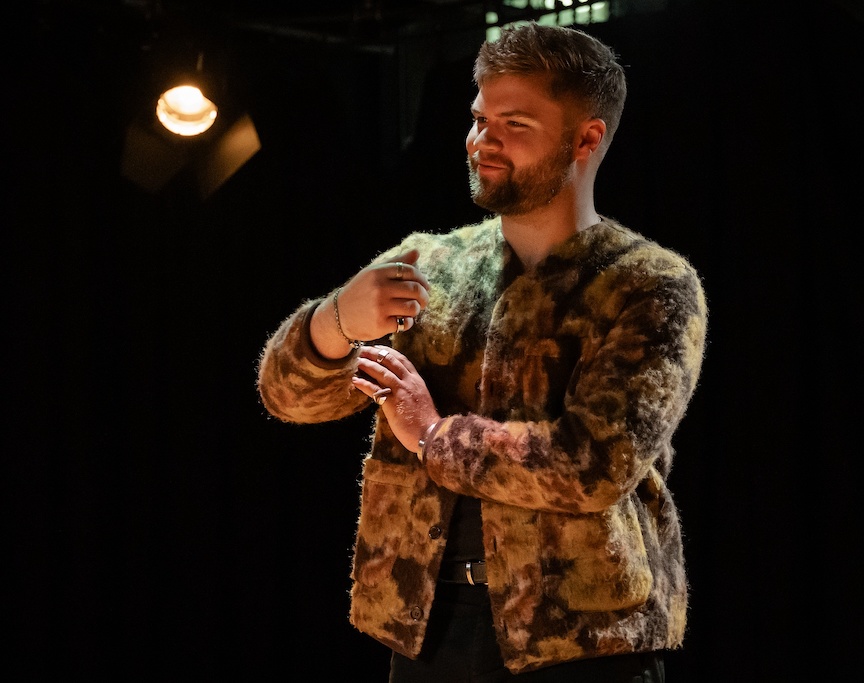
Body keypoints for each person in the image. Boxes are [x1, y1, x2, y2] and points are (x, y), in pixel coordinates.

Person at [256, 21, 707, 682]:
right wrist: (333, 322)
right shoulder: (428, 265)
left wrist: (435, 435)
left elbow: (594, 462)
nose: (482, 141)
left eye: (514, 123)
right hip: (431, 629)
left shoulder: (647, 285)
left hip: (582, 643)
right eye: (478, 118)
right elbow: (285, 394)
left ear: (586, 139)